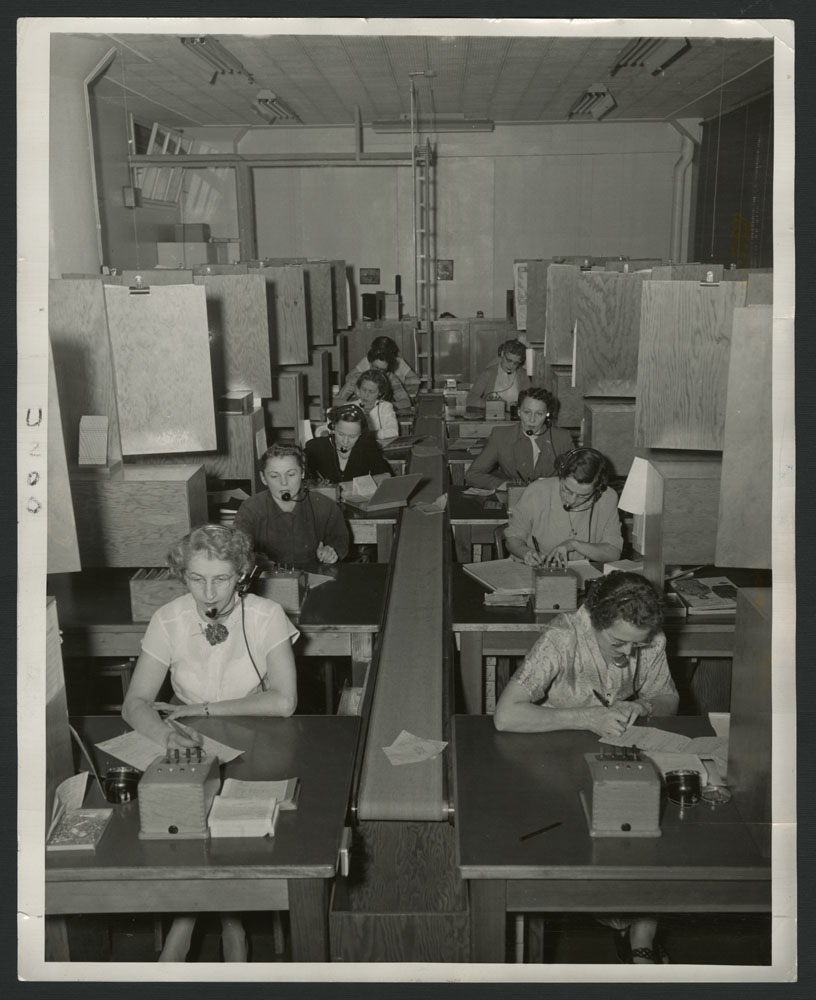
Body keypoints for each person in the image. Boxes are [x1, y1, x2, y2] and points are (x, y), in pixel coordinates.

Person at [121, 525, 299, 963]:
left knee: (231, 831)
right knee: (178, 821)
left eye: (220, 578)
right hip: (185, 736)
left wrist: (204, 710)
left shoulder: (265, 615)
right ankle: (189, 918)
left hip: (255, 735)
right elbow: (136, 703)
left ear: (243, 574)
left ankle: (229, 923)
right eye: (196, 578)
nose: (208, 591)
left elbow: (284, 701)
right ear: (183, 575)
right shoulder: (170, 618)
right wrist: (168, 736)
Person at [494, 571, 679, 964]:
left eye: (638, 645)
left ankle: (641, 944)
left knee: (649, 826)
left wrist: (642, 706)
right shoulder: (563, 636)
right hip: (554, 759)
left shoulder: (649, 636)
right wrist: (585, 717)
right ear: (594, 621)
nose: (629, 656)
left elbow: (667, 697)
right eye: (618, 643)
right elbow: (506, 715)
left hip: (618, 750)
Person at [504, 447, 622, 567]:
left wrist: (574, 544)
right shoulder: (537, 491)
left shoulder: (607, 498)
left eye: (583, 495)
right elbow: (513, 538)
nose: (572, 500)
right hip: (532, 570)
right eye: (567, 490)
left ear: (598, 489)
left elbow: (613, 553)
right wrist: (526, 553)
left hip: (582, 573)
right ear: (560, 476)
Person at [235, 444, 349, 568]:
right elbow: (237, 551)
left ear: (302, 473)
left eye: (291, 474)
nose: (284, 483)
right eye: (274, 476)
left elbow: (340, 542)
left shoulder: (324, 506)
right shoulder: (251, 509)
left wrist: (330, 552)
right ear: (263, 478)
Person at [464, 387, 573, 490]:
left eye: (539, 414)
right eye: (527, 412)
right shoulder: (501, 436)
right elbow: (472, 475)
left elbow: (577, 477)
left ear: (547, 414)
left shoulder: (562, 438)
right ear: (518, 411)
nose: (532, 419)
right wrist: (504, 485)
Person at [305, 403, 393, 492]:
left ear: (361, 433)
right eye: (341, 434)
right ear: (333, 427)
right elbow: (304, 480)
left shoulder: (367, 447)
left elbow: (386, 476)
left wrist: (348, 485)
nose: (345, 441)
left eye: (353, 436)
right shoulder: (315, 447)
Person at [336, 335, 420, 410]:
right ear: (370, 363)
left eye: (382, 370)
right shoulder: (357, 378)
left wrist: (381, 406)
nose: (377, 372)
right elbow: (337, 400)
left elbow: (406, 402)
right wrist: (357, 406)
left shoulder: (391, 378)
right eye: (375, 367)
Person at [466, 338, 531, 413]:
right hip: (491, 418)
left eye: (516, 363)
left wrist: (518, 404)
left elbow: (529, 400)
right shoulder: (487, 373)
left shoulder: (523, 375)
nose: (511, 365)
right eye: (509, 360)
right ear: (502, 354)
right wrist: (493, 404)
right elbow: (470, 399)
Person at [349, 368, 400, 442]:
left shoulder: (385, 407)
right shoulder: (349, 407)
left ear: (380, 393)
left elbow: (393, 433)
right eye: (363, 390)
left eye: (371, 391)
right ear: (358, 389)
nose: (366, 395)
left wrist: (367, 435)